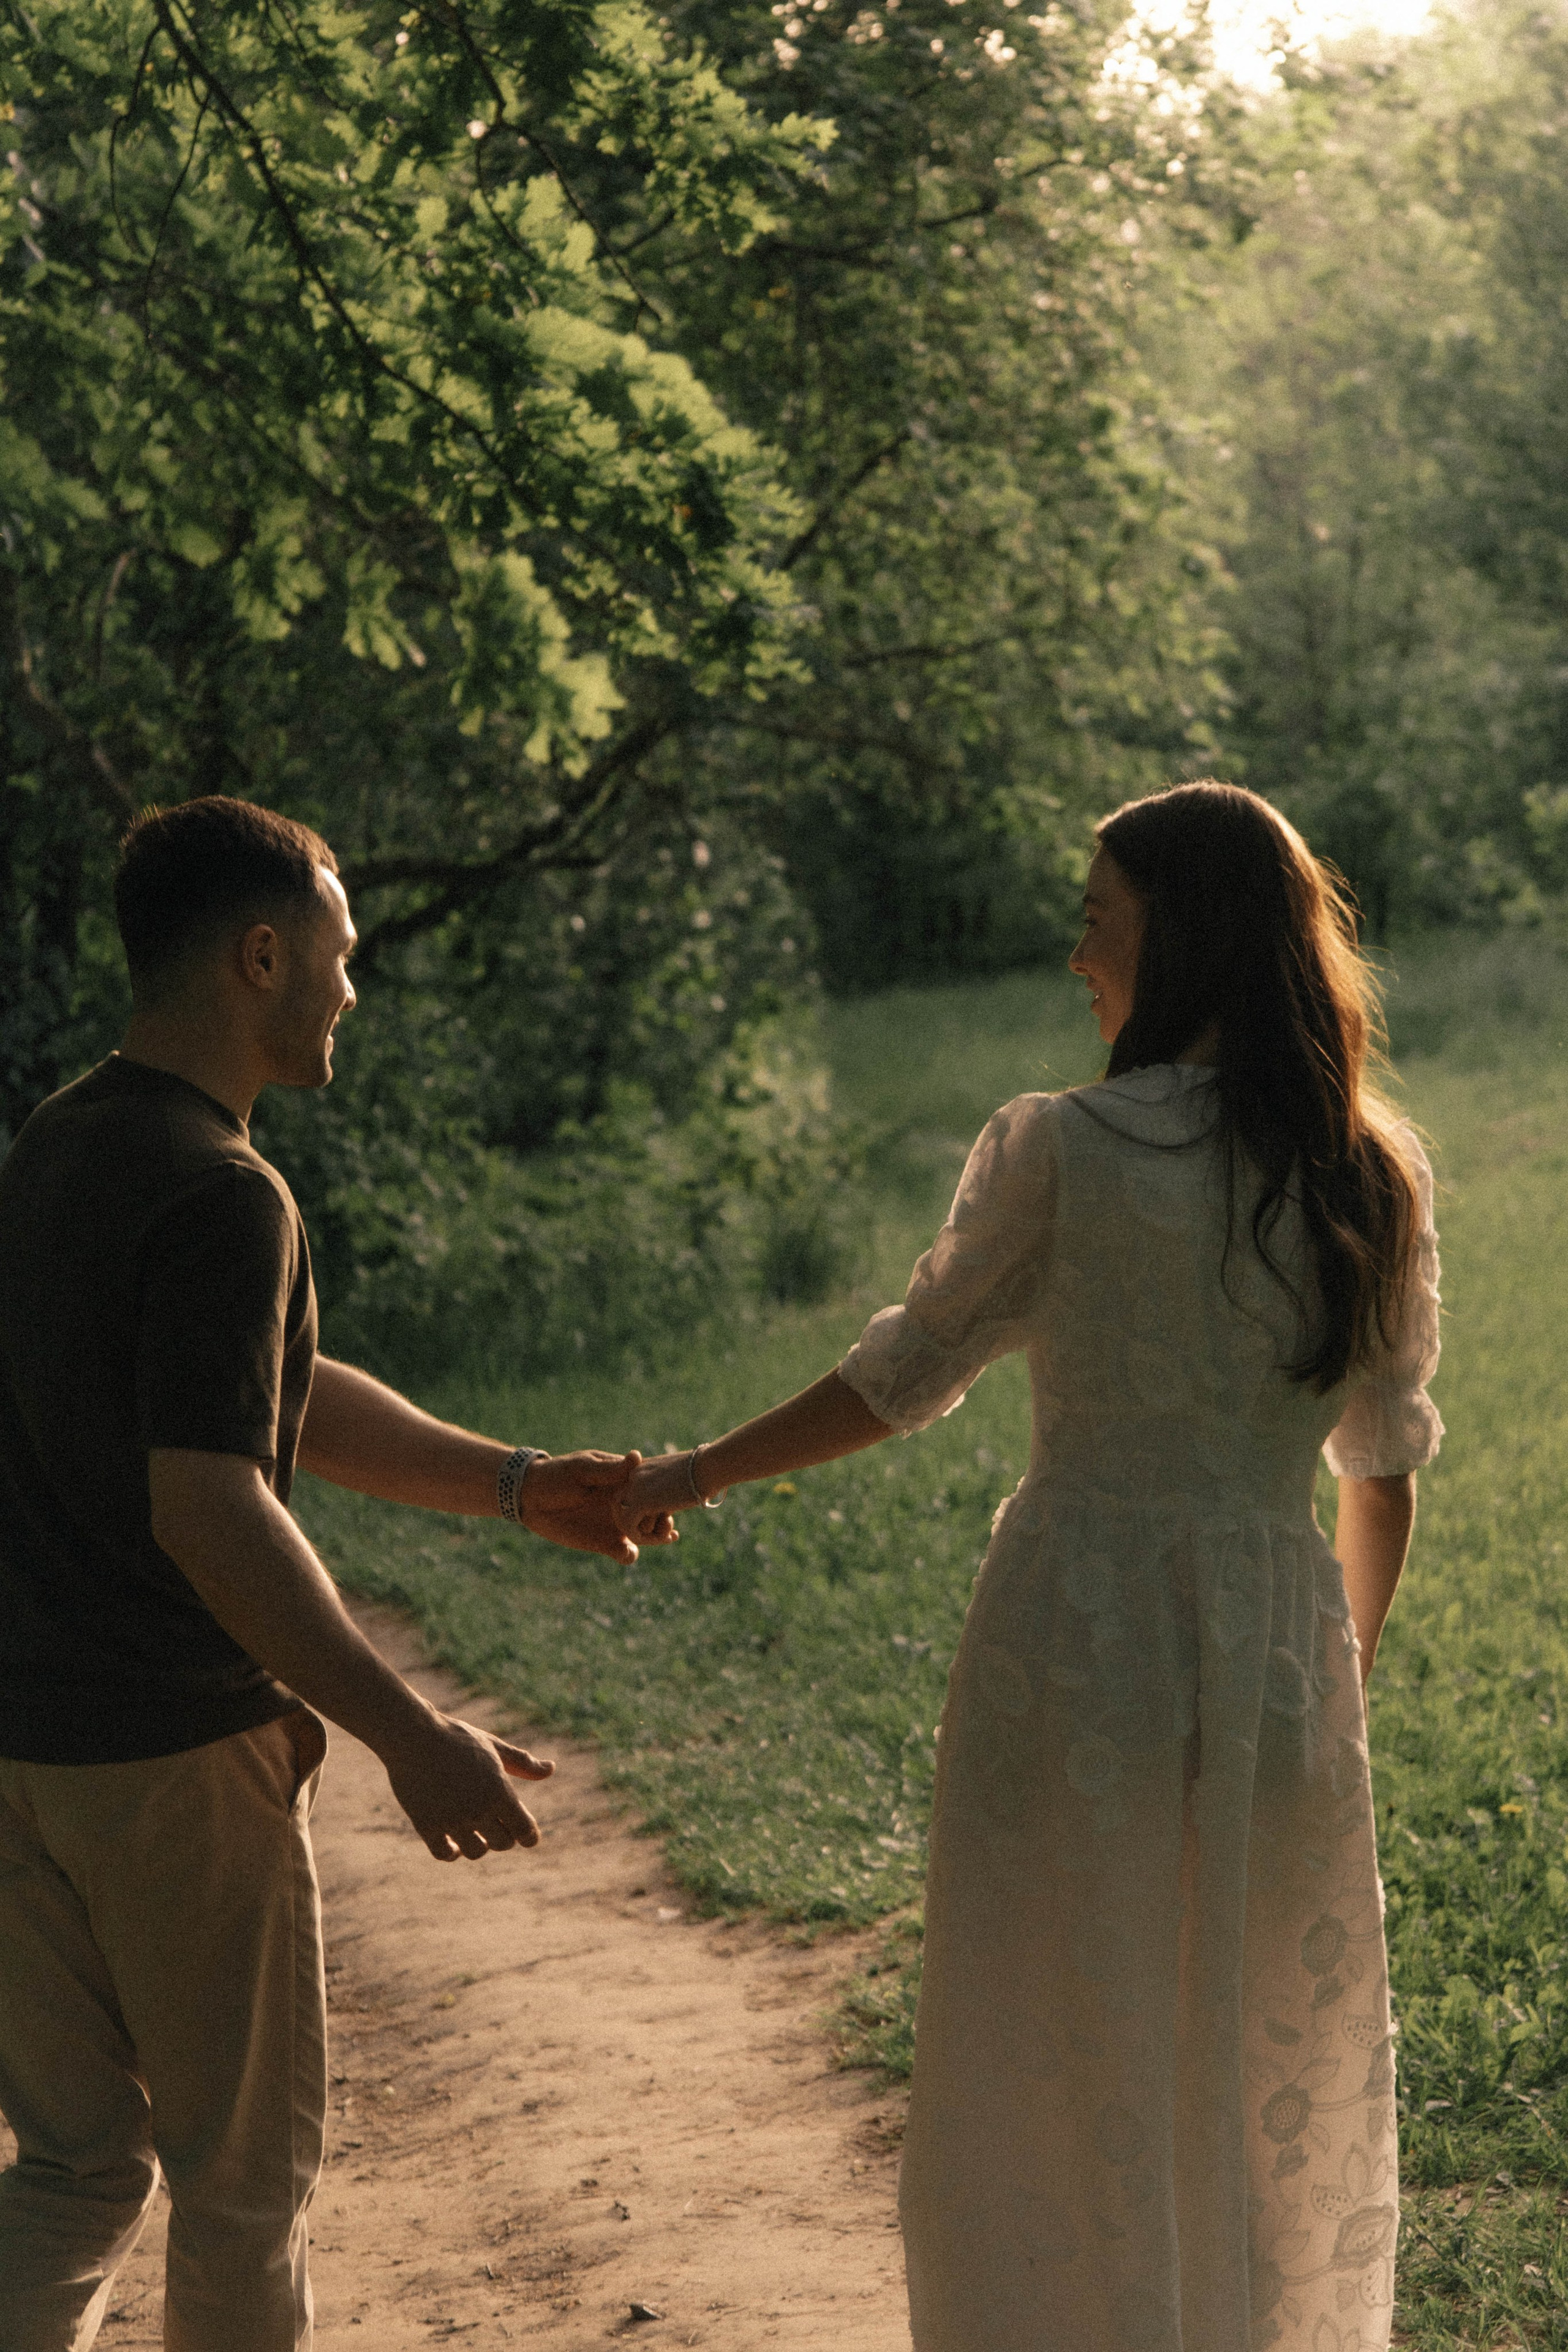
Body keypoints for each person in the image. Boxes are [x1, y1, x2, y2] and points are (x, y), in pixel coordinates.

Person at [619, 782, 1442, 2352]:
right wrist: (1325, 1668)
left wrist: (693, 1469)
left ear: (1176, 939)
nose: (1076, 956)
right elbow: (1382, 1471)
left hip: (1081, 1644)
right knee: (1253, 2038)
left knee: (1053, 2031)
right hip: (1279, 1655)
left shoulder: (1064, 1149)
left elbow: (898, 1376)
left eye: (1095, 919)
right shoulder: (1364, 1169)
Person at [0, 796, 671, 2352]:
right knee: (241, 2190)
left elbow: (269, 1389)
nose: (352, 990)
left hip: (20, 1745)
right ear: (260, 956)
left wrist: (513, 1482)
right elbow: (211, 1501)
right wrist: (409, 1735)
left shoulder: (61, 1141)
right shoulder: (226, 1192)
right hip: (170, 1760)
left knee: (76, 2168)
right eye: (339, 954)